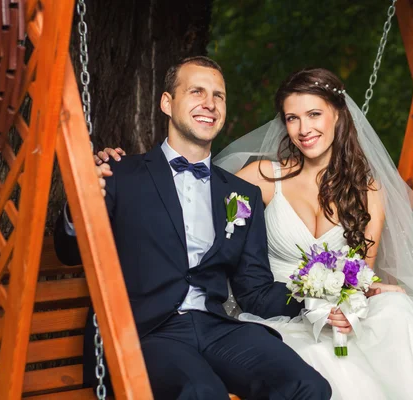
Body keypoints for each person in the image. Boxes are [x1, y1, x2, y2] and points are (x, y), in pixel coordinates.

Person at [100, 67, 413, 399]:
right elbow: (198, 207)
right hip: (282, 315)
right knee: (320, 364)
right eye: (292, 118)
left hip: (334, 311)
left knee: (398, 317)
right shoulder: (259, 181)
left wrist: (369, 292)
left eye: (314, 114)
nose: (304, 129)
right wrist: (115, 174)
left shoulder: (368, 191)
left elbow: (360, 274)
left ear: (337, 114)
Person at [54, 56, 333, 400]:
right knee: (203, 393)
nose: (210, 104)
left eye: (219, 95)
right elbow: (68, 252)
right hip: (145, 333)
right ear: (167, 103)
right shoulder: (120, 174)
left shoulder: (240, 194)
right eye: (196, 92)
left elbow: (255, 291)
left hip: (217, 328)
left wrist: (318, 294)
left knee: (310, 386)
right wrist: (77, 205)